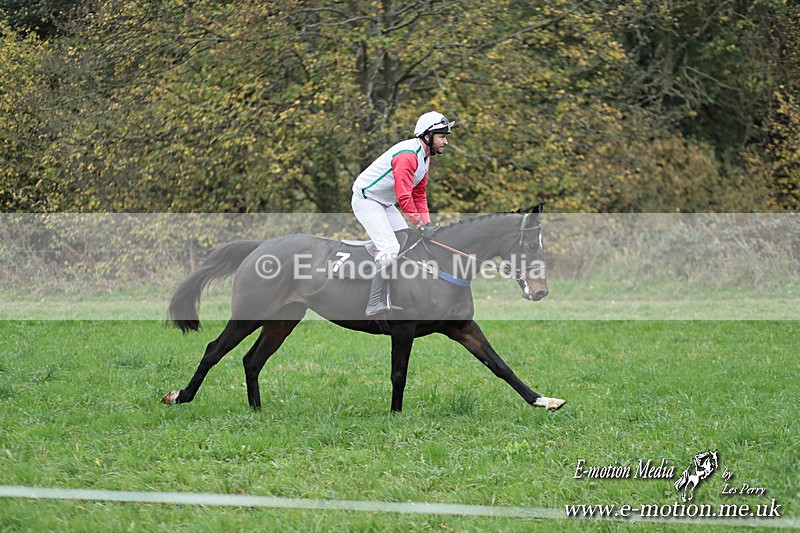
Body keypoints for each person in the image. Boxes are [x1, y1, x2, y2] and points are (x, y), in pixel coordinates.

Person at [351, 111, 454, 316]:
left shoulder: (425, 158)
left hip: (385, 203)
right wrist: (419, 223)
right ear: (427, 136)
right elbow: (404, 195)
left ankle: (397, 289)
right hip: (367, 200)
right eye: (442, 137)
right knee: (390, 246)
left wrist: (427, 223)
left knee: (406, 240)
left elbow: (419, 194)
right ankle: (373, 302)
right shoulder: (408, 156)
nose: (445, 142)